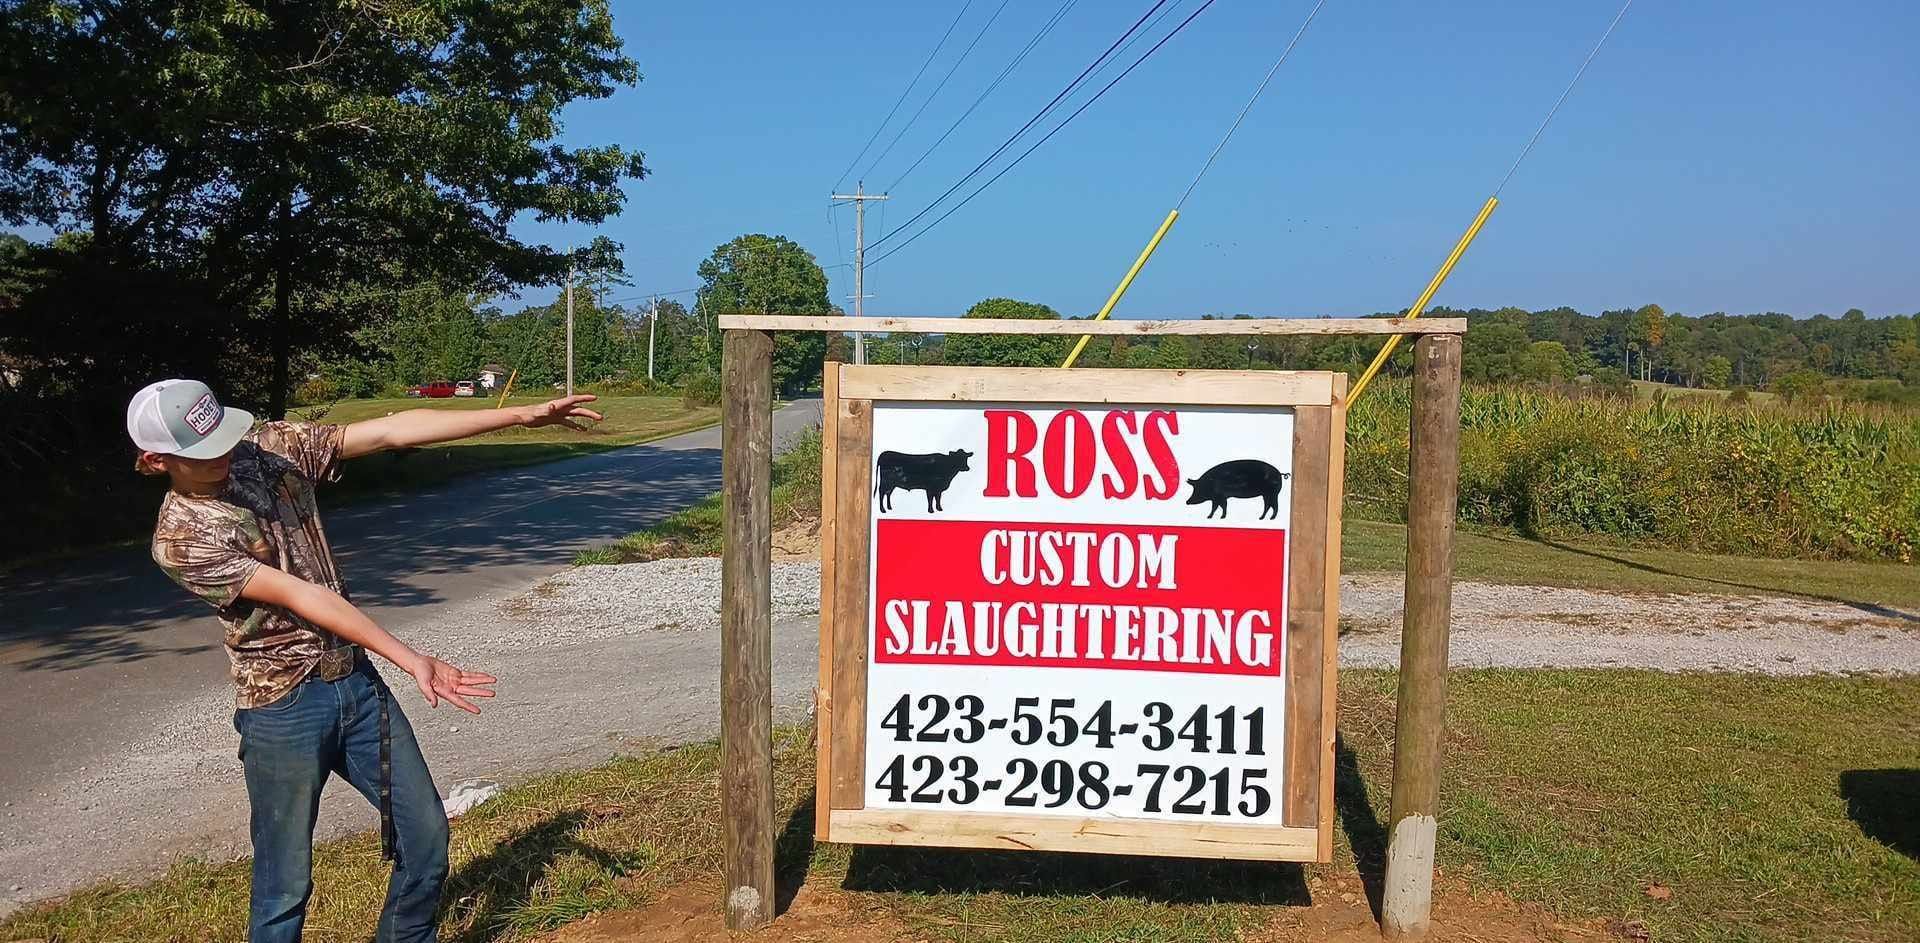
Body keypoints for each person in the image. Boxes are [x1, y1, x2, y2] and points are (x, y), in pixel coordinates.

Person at [127, 378, 602, 943]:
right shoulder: (181, 538)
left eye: (225, 437)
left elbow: (388, 429)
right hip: (282, 706)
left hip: (354, 681)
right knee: (284, 885)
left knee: (425, 836)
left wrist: (522, 416)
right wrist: (411, 659)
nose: (227, 454)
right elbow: (308, 598)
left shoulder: (266, 448)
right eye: (205, 454)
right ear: (158, 460)